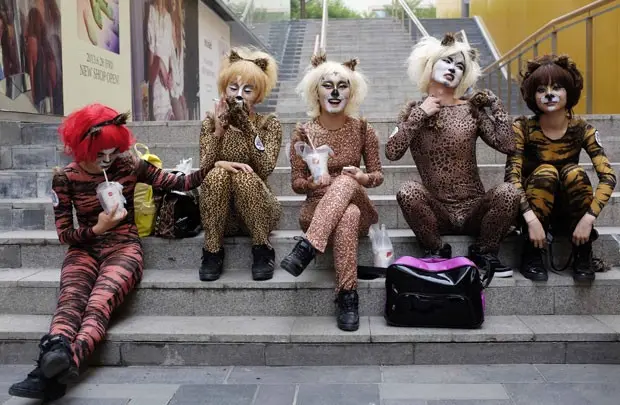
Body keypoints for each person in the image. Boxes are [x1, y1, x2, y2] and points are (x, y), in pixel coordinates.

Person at [8, 103, 212, 401]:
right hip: (84, 249)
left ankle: (52, 367)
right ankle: (56, 359)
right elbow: (65, 234)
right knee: (70, 303)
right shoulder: (65, 177)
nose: (106, 160)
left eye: (112, 152)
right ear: (81, 148)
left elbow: (178, 182)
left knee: (98, 303)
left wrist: (215, 164)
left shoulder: (129, 165)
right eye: (98, 154)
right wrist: (97, 229)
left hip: (124, 246)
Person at [386, 33, 519, 277]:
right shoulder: (412, 112)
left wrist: (495, 105)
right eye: (447, 61)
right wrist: (420, 114)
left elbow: (508, 145)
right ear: (430, 64)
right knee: (407, 190)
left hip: (474, 209)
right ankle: (435, 249)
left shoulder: (471, 109)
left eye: (460, 66)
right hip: (437, 211)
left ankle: (484, 251)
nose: (453, 69)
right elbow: (392, 151)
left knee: (508, 192)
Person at [280, 53, 384, 332]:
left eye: (343, 85)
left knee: (348, 182)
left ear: (352, 91)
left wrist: (362, 176)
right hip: (315, 211)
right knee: (346, 214)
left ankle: (307, 247)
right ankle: (347, 296)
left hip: (362, 207)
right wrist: (314, 184)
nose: (335, 91)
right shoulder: (304, 132)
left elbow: (378, 175)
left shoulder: (363, 129)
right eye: (328, 85)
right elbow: (296, 183)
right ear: (316, 90)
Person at [505, 55, 616, 282]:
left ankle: (583, 253)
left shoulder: (583, 129)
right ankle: (532, 252)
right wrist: (532, 221)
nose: (548, 94)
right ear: (532, 95)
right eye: (541, 89)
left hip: (570, 212)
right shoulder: (523, 127)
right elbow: (512, 176)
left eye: (557, 87)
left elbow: (608, 177)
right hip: (532, 210)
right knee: (546, 171)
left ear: (569, 92)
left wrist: (588, 220)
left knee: (574, 172)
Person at [199, 47, 282, 282]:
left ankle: (262, 249)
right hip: (222, 215)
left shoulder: (268, 124)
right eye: (233, 88)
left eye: (247, 90)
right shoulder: (210, 122)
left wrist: (246, 126)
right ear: (224, 89)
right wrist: (219, 132)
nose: (239, 95)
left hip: (259, 210)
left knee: (244, 176)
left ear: (258, 94)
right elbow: (203, 170)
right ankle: (212, 251)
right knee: (216, 174)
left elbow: (265, 168)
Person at [147, 0, 174, 120]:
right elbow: (151, 76)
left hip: (167, 84)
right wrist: (160, 66)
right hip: (158, 83)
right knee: (160, 116)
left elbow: (169, 52)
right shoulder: (152, 11)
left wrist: (171, 74)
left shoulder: (168, 17)